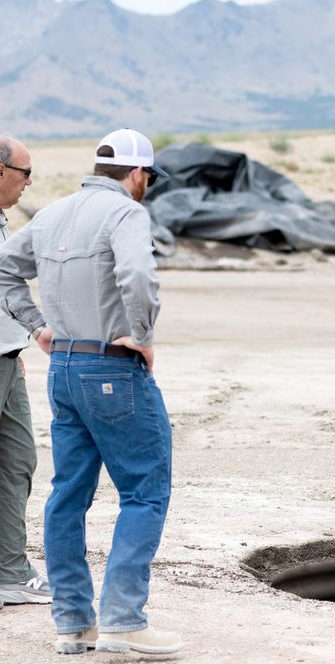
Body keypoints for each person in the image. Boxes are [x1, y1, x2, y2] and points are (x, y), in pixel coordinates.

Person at [0, 129, 182, 655]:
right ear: (138, 174)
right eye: (148, 177)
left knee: (68, 496)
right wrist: (142, 335)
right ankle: (124, 619)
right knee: (145, 490)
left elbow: (4, 269)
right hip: (113, 366)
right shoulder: (127, 213)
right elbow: (137, 276)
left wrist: (37, 327)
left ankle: (73, 623)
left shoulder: (53, 213)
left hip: (64, 370)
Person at [0, 136, 52, 608]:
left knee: (17, 461)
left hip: (7, 359)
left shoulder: (2, 224)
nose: (28, 181)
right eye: (23, 172)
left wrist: (17, 340)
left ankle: (10, 572)